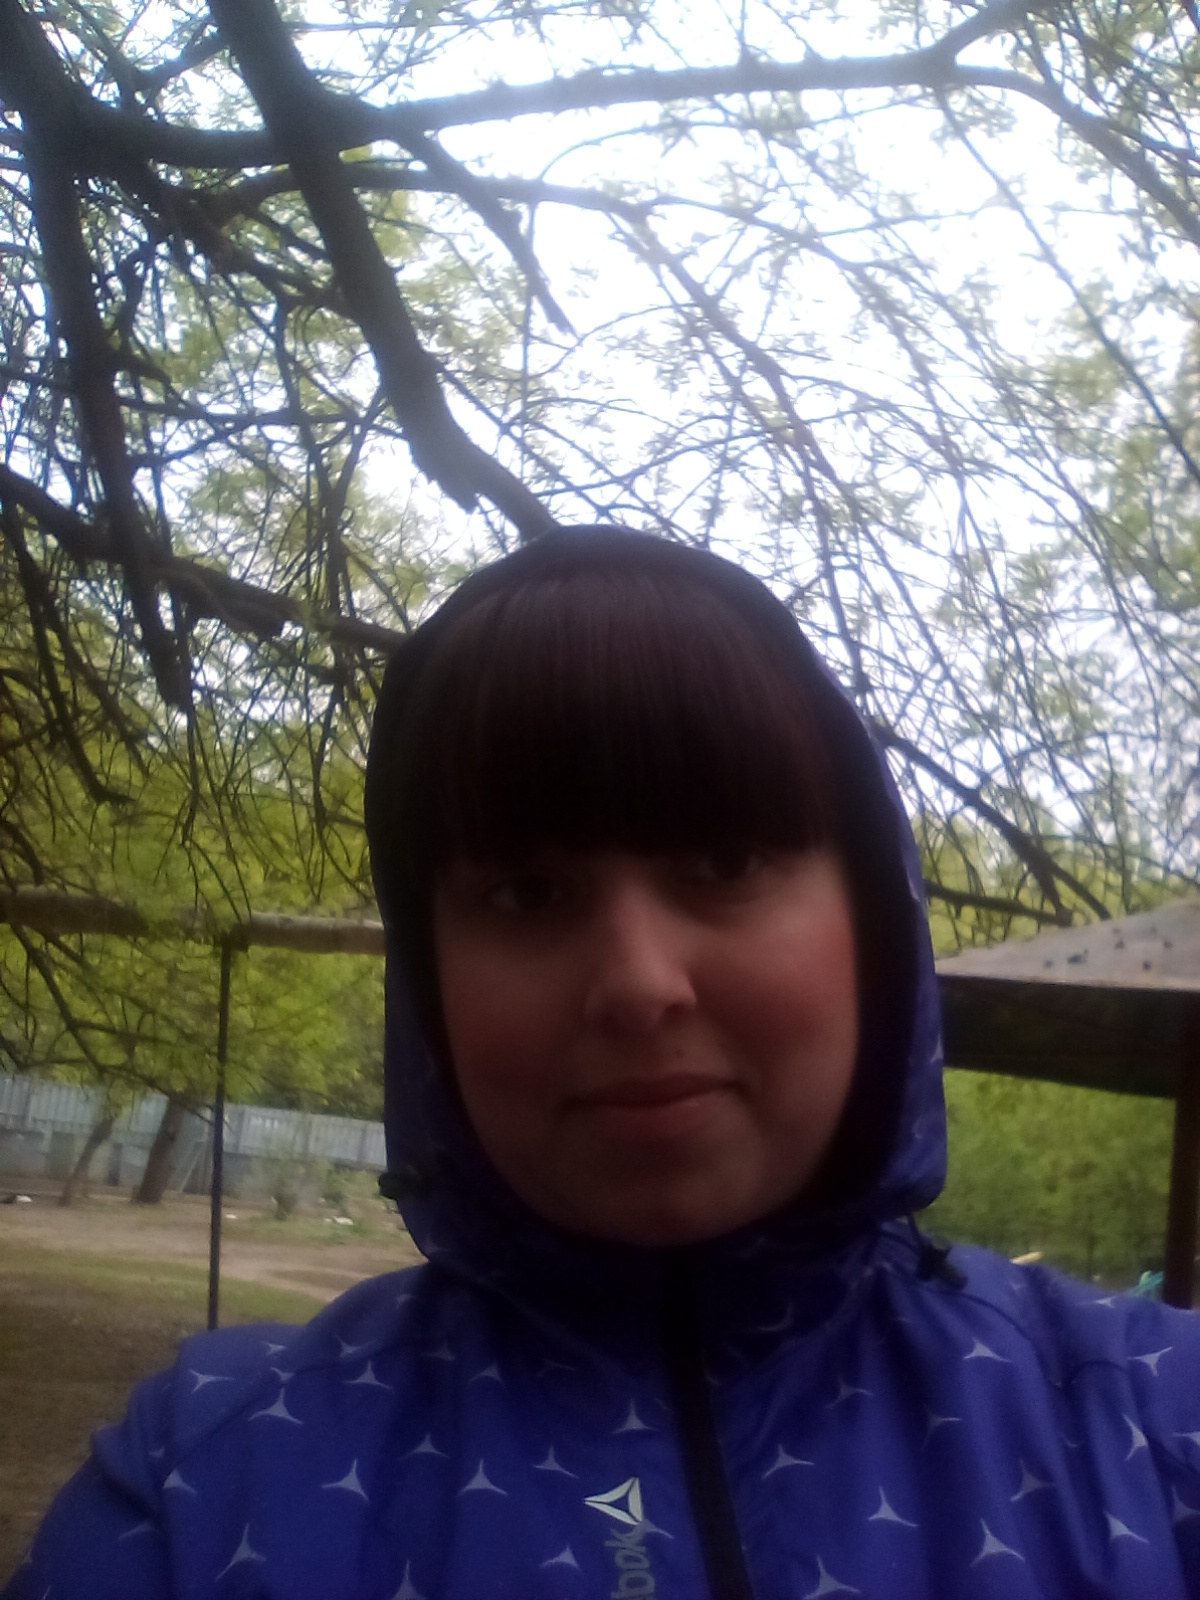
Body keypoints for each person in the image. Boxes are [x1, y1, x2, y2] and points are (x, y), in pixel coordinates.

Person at [7, 526, 1200, 1600]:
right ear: (430, 981)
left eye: (724, 863)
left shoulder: (1155, 1428)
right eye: (528, 892)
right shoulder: (209, 1486)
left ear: (874, 928)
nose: (638, 982)